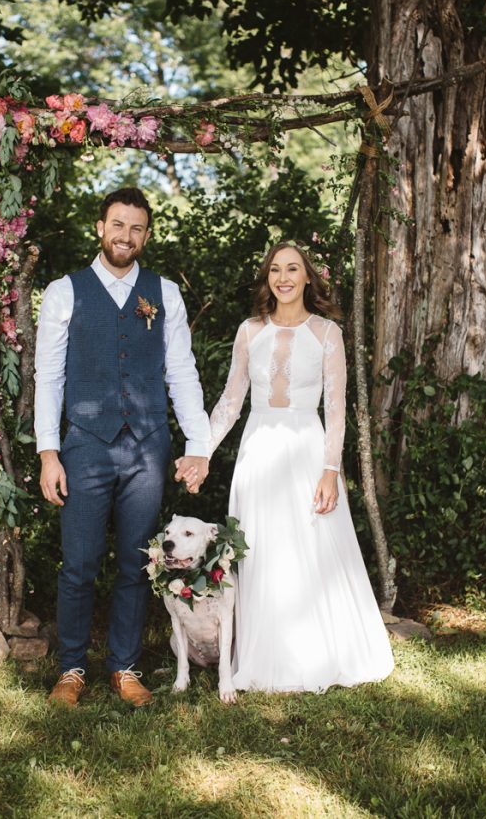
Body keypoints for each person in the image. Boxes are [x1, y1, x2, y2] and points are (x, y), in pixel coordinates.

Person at [180, 240, 394, 692]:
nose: (283, 277)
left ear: (307, 277)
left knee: (309, 550)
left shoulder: (326, 333)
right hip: (258, 449)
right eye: (275, 269)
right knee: (258, 550)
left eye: (293, 268)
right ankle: (258, 654)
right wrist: (201, 451)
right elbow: (231, 401)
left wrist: (331, 471)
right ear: (268, 278)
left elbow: (335, 410)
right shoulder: (249, 330)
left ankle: (313, 653)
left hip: (306, 449)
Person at [35, 187, 209, 707]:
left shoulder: (166, 293)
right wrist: (49, 451)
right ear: (100, 227)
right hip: (85, 446)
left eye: (136, 228)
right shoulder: (65, 291)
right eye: (117, 225)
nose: (125, 236)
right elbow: (49, 375)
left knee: (139, 562)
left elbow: (181, 371)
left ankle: (124, 667)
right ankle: (70, 669)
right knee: (79, 563)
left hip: (148, 447)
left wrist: (197, 443)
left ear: (146, 235)